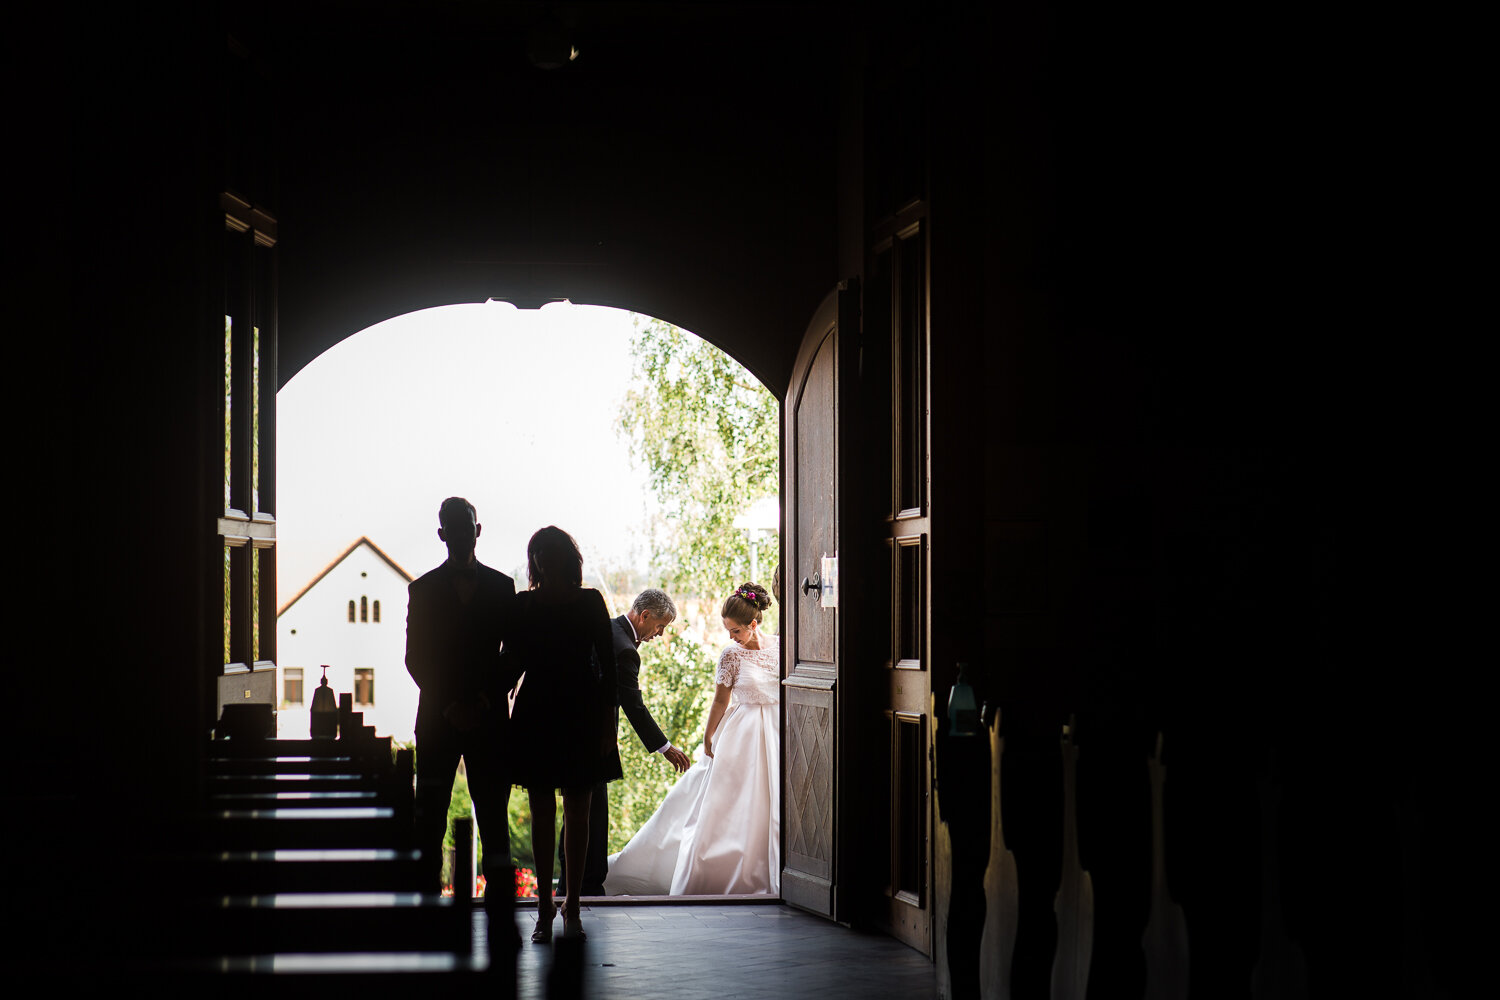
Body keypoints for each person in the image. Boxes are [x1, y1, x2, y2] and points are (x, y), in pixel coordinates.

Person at [602, 582, 780, 896]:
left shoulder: (781, 647)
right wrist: (709, 737)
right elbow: (720, 702)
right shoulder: (731, 655)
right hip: (742, 735)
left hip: (777, 733)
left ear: (754, 624)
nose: (730, 637)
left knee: (773, 804)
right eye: (727, 630)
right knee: (731, 804)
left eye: (736, 631)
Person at [505, 526, 622, 941]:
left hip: (544, 709)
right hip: (577, 709)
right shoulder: (588, 601)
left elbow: (511, 666)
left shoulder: (527, 604)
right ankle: (561, 906)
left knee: (550, 811)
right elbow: (607, 672)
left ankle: (555, 907)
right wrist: (608, 723)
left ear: (536, 560)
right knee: (575, 811)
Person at [405, 497, 517, 894]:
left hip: (484, 721)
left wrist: (483, 702)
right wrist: (452, 705)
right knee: (430, 818)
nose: (460, 534)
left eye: (465, 526)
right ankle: (426, 907)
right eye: (452, 527)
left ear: (477, 530)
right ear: (442, 534)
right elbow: (415, 657)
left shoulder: (504, 587)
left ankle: (500, 913)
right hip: (440, 718)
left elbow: (514, 654)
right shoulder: (422, 590)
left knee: (493, 817)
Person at [559, 588, 692, 896]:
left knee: (575, 816)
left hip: (569, 735)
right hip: (591, 741)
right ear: (644, 616)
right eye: (659, 626)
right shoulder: (623, 649)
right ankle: (587, 887)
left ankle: (570, 886)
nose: (659, 634)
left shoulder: (604, 626)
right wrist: (665, 747)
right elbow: (633, 705)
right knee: (592, 818)